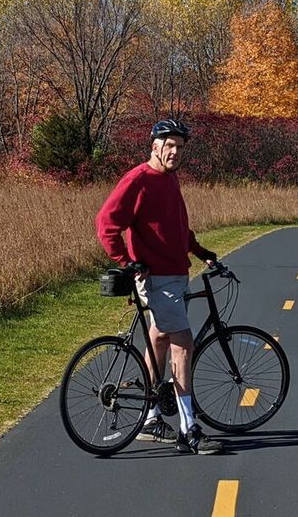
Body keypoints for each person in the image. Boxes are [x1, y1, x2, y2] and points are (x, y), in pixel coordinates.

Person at [95, 118, 223, 455]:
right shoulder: (138, 180)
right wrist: (126, 261)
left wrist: (200, 251)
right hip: (157, 280)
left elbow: (176, 226)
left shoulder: (170, 178)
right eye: (169, 146)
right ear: (154, 146)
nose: (175, 152)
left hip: (176, 275)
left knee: (160, 340)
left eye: (180, 147)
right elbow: (106, 223)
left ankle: (150, 419)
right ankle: (189, 429)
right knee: (183, 345)